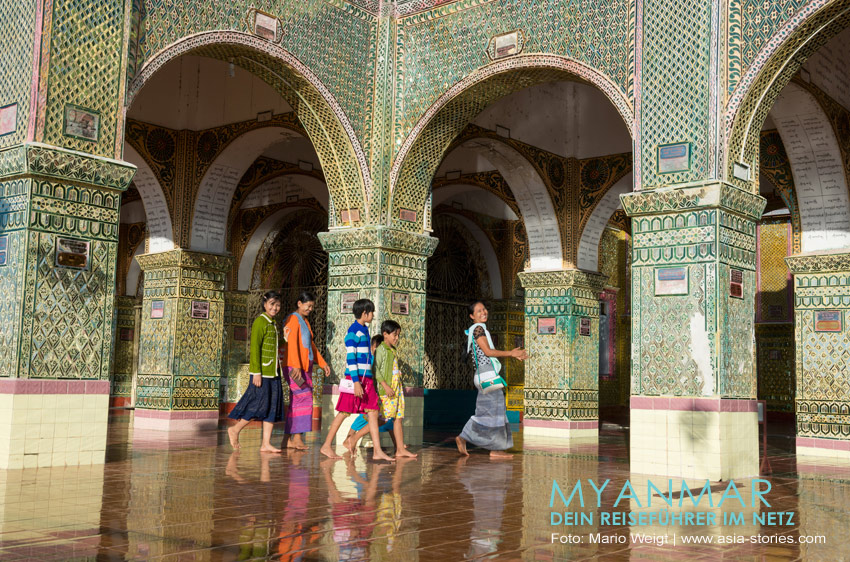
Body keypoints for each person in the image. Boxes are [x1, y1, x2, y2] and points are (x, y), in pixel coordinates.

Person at [319, 299, 394, 461]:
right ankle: (326, 445)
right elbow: (351, 358)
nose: (373, 315)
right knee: (344, 412)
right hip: (356, 379)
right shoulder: (353, 332)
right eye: (371, 312)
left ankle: (377, 451)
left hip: (366, 379)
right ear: (364, 313)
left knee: (373, 411)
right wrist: (355, 382)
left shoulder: (365, 330)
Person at [455, 301, 527, 459]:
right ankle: (490, 448)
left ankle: (468, 439)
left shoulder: (479, 329)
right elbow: (487, 352)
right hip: (486, 375)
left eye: (484, 309)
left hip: (485, 374)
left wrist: (514, 354)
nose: (483, 312)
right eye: (479, 311)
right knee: (494, 412)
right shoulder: (478, 329)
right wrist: (511, 353)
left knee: (491, 412)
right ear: (472, 316)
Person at [346, 320, 417, 458]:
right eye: (394, 335)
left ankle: (400, 449)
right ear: (385, 334)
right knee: (382, 419)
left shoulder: (393, 350)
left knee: (398, 418)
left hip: (397, 390)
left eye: (398, 335)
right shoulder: (381, 349)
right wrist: (385, 386)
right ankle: (353, 438)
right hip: (387, 391)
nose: (396, 338)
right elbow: (376, 370)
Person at [228, 291, 286, 453]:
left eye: (278, 305)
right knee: (257, 404)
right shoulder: (260, 322)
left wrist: (285, 339)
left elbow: (273, 345)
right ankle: (235, 429)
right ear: (265, 304)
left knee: (271, 407)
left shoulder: (272, 323)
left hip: (273, 373)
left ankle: (265, 443)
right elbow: (255, 349)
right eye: (272, 304)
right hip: (262, 373)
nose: (275, 308)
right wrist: (256, 372)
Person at [281, 291, 330, 450]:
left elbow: (311, 346)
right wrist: (295, 365)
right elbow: (292, 344)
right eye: (308, 306)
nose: (310, 309)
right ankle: (297, 438)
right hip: (295, 368)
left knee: (297, 401)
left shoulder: (305, 321)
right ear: (299, 303)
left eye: (312, 307)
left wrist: (322, 363)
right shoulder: (293, 319)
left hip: (305, 367)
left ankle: (287, 440)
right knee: (305, 398)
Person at [343, 335, 395, 452]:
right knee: (368, 419)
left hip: (376, 396)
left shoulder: (379, 359)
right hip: (371, 396)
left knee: (385, 420)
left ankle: (398, 446)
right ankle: (350, 440)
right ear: (371, 347)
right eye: (376, 347)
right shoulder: (370, 360)